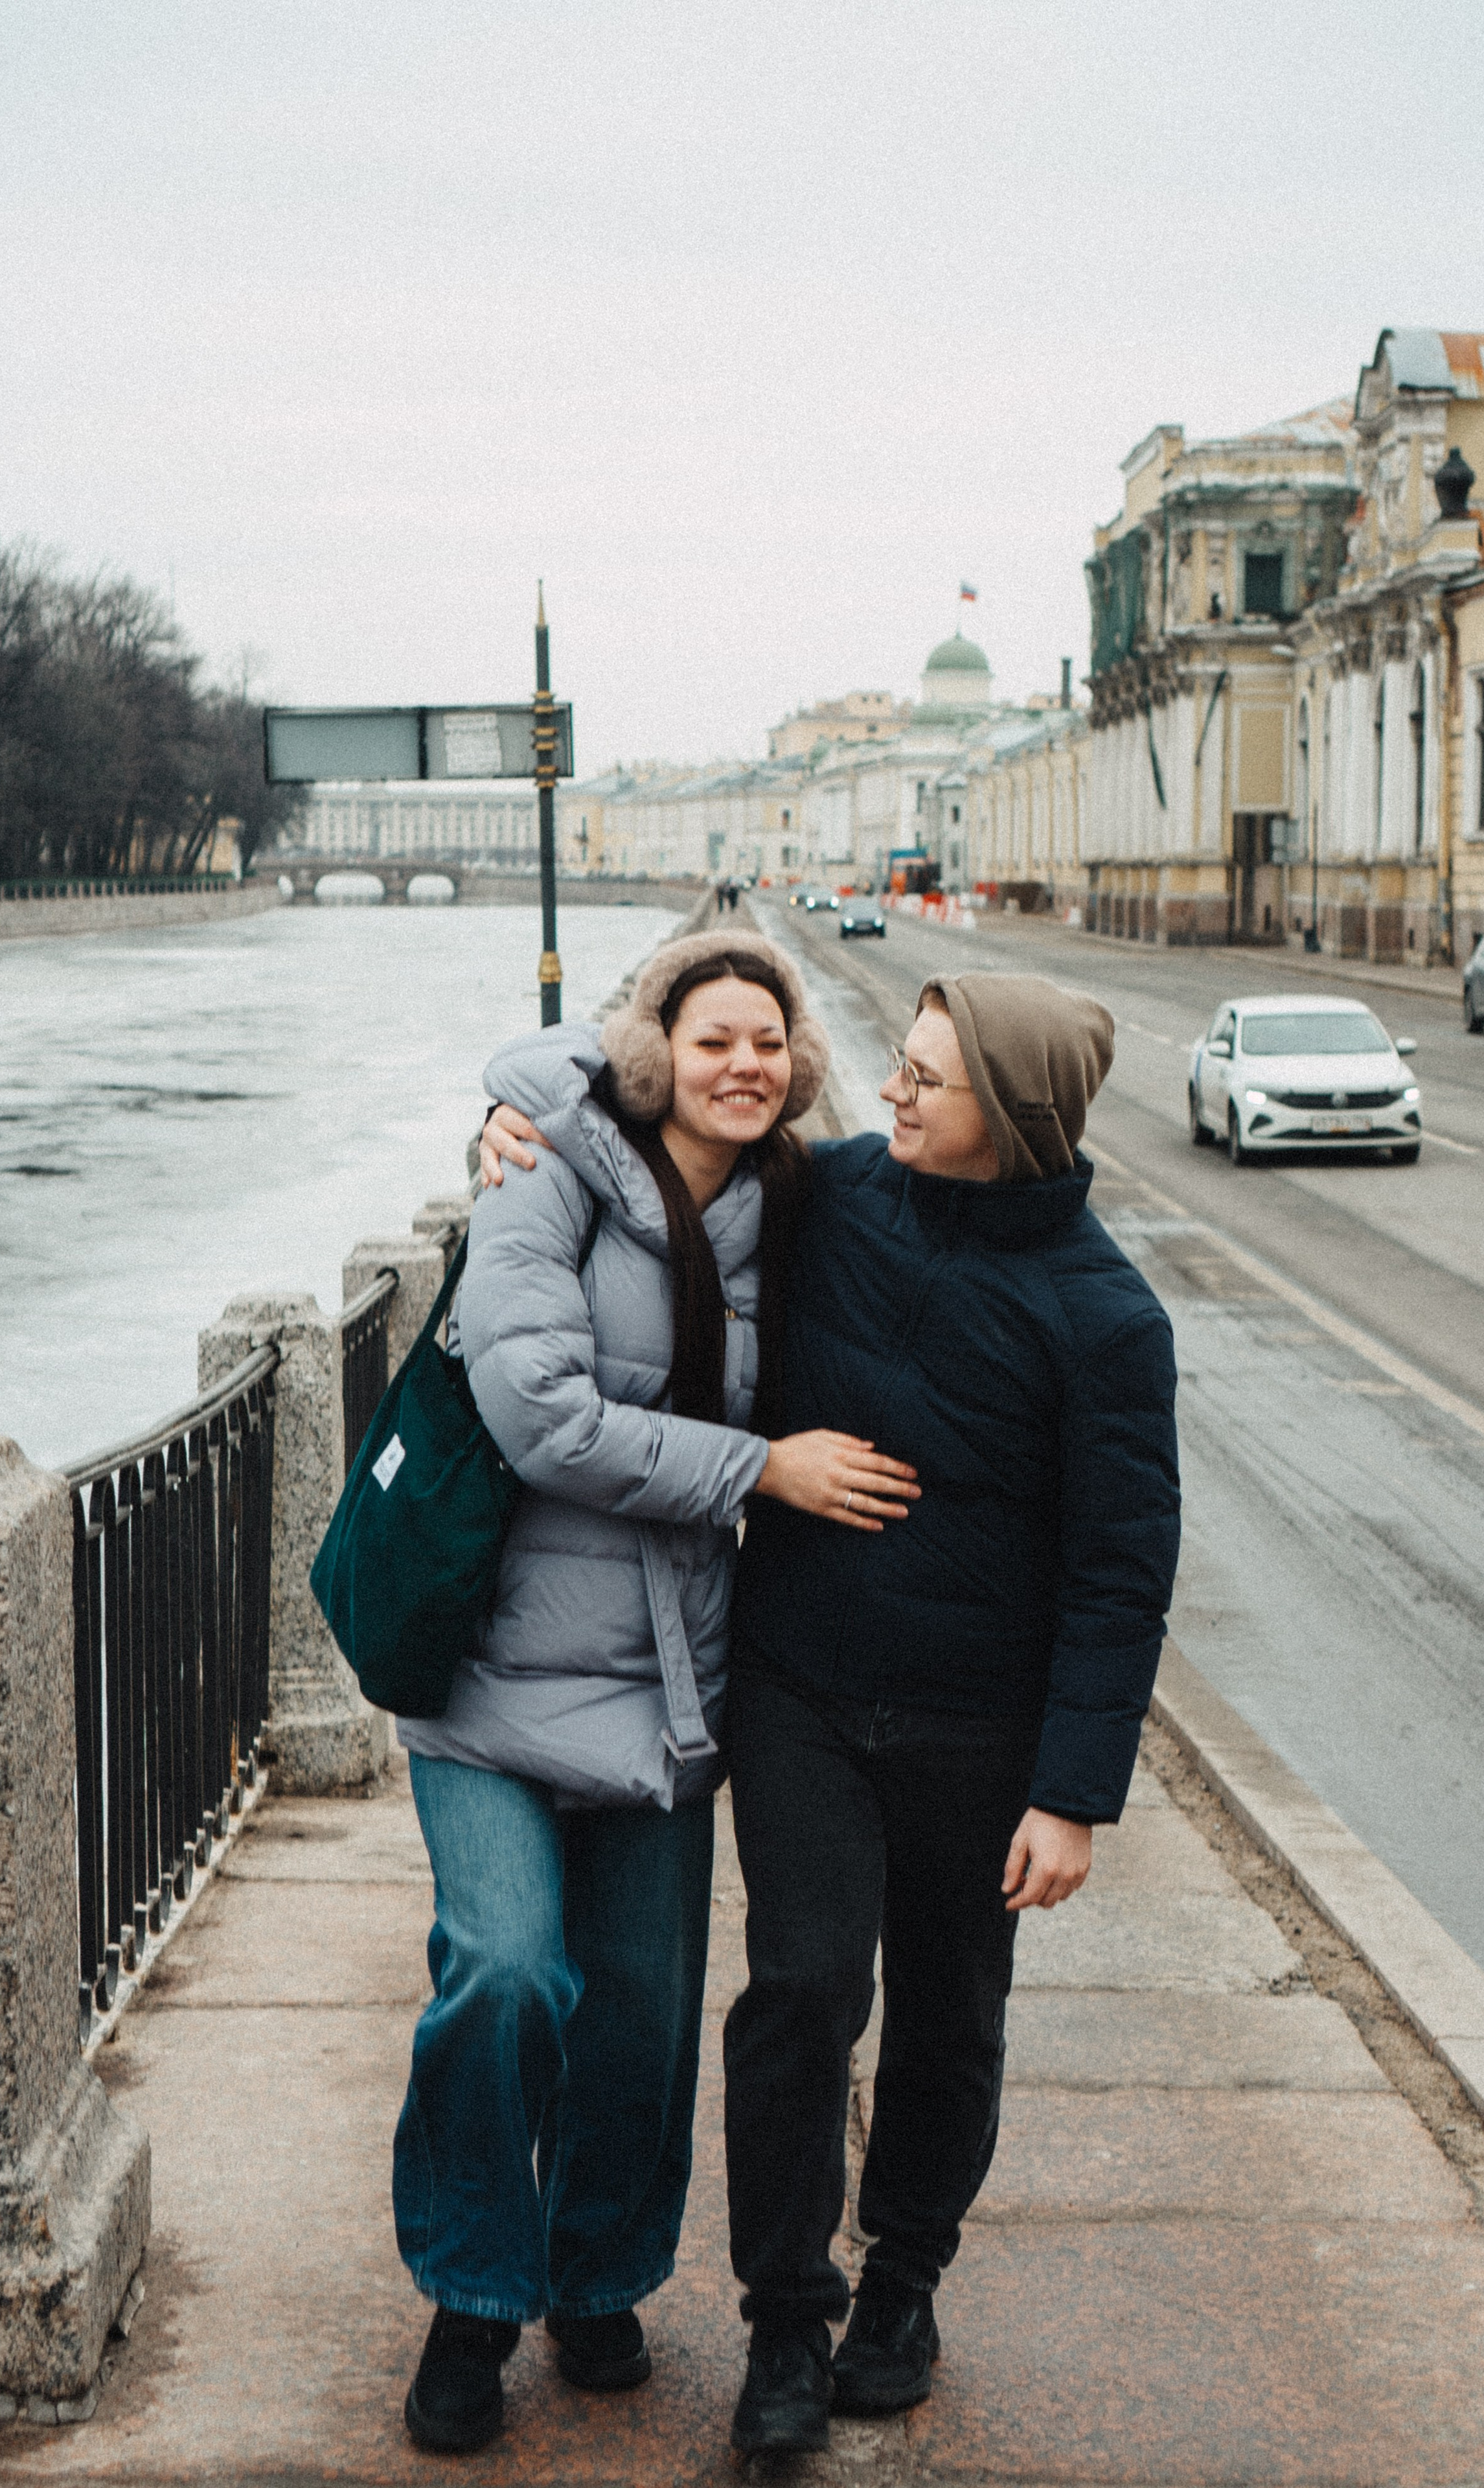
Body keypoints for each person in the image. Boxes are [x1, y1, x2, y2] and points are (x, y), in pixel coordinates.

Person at [482, 967, 1180, 2458]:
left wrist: (1072, 1794)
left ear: (1015, 1112)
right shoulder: (834, 1194)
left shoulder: (1106, 1320)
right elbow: (646, 1117)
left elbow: (1120, 1575)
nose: (887, 1091)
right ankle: (784, 2326)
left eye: (925, 1077)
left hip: (980, 1731)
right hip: (799, 1690)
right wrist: (505, 1128)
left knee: (949, 2020)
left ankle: (901, 2287)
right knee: (799, 1996)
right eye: (899, 1068)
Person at [396, 931, 918, 2457]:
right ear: (653, 1052)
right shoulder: (545, 1168)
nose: (743, 1063)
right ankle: (471, 2297)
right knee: (504, 1977)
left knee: (637, 2024)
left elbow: (947, 1208)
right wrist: (762, 1470)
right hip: (492, 1672)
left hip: (668, 1686)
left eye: (769, 1040)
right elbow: (537, 1414)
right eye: (713, 1038)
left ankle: (597, 2278)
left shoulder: (798, 1207)